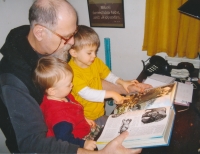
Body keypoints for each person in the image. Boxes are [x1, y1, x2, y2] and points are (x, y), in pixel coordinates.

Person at [0, 0, 149, 153]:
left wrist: (126, 88)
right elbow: (33, 144)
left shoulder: (55, 48)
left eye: (73, 34)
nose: (71, 42)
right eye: (66, 36)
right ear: (39, 32)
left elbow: (87, 81)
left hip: (80, 128)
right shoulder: (13, 80)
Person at [68, 25, 139, 126]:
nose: (94, 56)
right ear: (74, 53)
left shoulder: (94, 61)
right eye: (89, 53)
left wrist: (122, 82)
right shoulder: (70, 72)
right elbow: (86, 93)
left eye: (95, 51)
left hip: (99, 113)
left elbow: (107, 75)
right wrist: (112, 94)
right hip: (85, 119)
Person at [34, 56, 99, 150]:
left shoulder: (60, 95)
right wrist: (83, 144)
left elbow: (74, 111)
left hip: (83, 128)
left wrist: (84, 119)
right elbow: (63, 139)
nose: (72, 85)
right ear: (52, 91)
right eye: (68, 84)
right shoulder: (60, 118)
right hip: (78, 141)